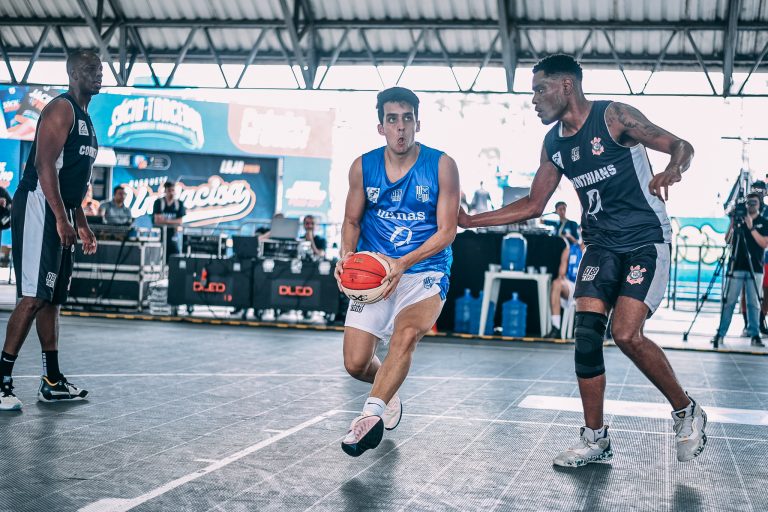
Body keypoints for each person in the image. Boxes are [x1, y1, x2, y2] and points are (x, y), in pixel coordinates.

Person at [459, 54, 707, 467]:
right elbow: (534, 204)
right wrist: (471, 221)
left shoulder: (614, 117)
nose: (534, 99)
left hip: (645, 239)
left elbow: (682, 146)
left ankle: (686, 410)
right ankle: (596, 439)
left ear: (566, 86)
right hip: (600, 245)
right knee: (587, 335)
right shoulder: (554, 144)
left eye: (540, 89)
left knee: (626, 334)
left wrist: (673, 168)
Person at [335, 86, 460, 456]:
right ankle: (387, 390)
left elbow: (447, 231)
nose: (400, 127)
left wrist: (403, 263)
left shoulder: (442, 165)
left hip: (424, 270)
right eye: (392, 119)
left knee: (406, 336)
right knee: (356, 363)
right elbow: (351, 221)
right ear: (381, 127)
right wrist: (346, 257)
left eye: (407, 119)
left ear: (418, 123)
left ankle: (368, 417)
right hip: (375, 274)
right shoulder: (363, 167)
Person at [1, 50, 101, 411]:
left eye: (100, 69)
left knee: (52, 298)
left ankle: (53, 381)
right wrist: (61, 218)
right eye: (90, 69)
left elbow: (72, 180)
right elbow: (45, 166)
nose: (98, 74)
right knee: (32, 296)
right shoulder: (62, 109)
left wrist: (81, 223)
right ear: (73, 73)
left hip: (60, 209)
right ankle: (2, 381)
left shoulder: (87, 119)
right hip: (37, 205)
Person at [711, 193, 767, 347]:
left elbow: (764, 243)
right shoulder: (738, 222)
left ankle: (755, 335)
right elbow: (728, 240)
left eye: (754, 202)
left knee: (753, 303)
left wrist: (751, 227)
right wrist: (733, 221)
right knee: (728, 301)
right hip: (736, 266)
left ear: (759, 204)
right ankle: (720, 334)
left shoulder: (764, 222)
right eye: (749, 202)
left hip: (755, 267)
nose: (751, 205)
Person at [545, 237, 576, 339]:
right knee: (557, 283)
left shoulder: (596, 249)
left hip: (590, 286)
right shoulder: (569, 250)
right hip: (573, 285)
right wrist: (562, 277)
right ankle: (556, 327)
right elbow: (561, 274)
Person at [152, 181, 185, 262]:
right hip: (160, 235)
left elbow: (180, 221)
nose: (171, 193)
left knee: (175, 256)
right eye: (169, 190)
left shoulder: (179, 203)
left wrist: (164, 220)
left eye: (173, 190)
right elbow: (157, 221)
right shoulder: (159, 202)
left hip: (174, 235)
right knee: (159, 257)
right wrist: (173, 221)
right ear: (165, 191)